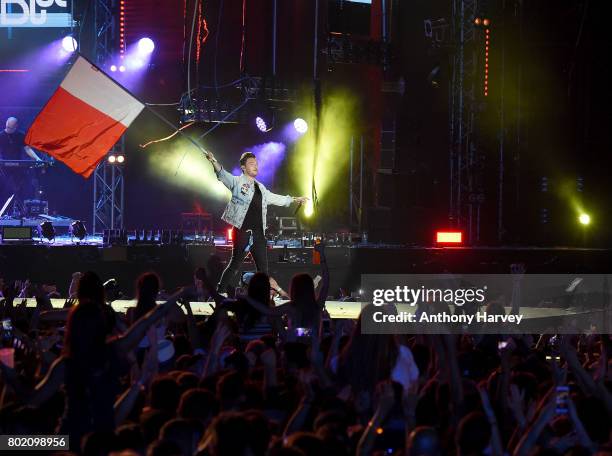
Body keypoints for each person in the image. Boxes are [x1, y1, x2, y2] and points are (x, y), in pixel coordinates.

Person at [205, 150, 309, 293]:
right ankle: (219, 291)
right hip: (243, 232)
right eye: (251, 163)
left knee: (263, 270)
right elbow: (222, 174)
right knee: (234, 265)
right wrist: (213, 160)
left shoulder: (260, 187)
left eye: (256, 164)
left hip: (259, 234)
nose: (255, 166)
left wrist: (293, 199)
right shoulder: (237, 182)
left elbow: (275, 198)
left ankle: (262, 297)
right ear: (243, 167)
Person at [0, 117, 43, 212]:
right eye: (7, 127)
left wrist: (37, 158)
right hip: (4, 166)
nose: (8, 130)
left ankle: (21, 211)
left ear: (16, 127)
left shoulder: (20, 135)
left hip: (18, 166)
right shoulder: (1, 135)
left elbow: (27, 148)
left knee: (20, 188)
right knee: (4, 187)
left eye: (10, 128)